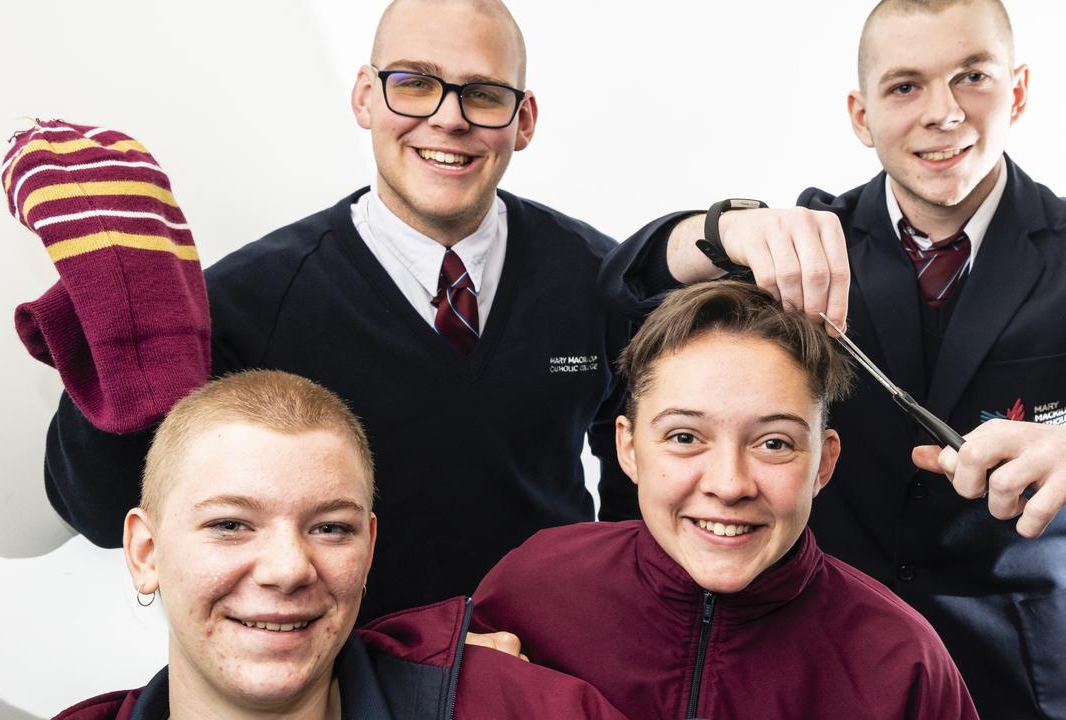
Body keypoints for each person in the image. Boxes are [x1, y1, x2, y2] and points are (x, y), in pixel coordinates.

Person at [597, 1, 1066, 717]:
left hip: (1016, 665)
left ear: (1016, 91)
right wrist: (717, 229)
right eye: (905, 86)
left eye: (972, 77)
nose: (943, 113)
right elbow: (626, 293)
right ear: (861, 116)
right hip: (820, 652)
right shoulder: (809, 242)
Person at [32, 0, 636, 623]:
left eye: (483, 93)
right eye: (415, 84)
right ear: (365, 97)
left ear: (524, 119)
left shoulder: (601, 277)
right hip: (342, 678)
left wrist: (608, 627)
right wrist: (123, 303)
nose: (449, 118)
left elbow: (640, 483)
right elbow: (104, 512)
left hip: (544, 668)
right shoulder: (251, 298)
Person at [473, 281, 979, 720]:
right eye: (685, 437)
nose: (730, 484)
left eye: (773, 443)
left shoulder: (901, 658)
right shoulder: (532, 587)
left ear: (823, 463)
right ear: (627, 448)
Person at [53, 370, 629, 720]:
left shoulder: (514, 709)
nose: (287, 570)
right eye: (231, 525)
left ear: (369, 548)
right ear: (146, 552)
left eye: (330, 528)